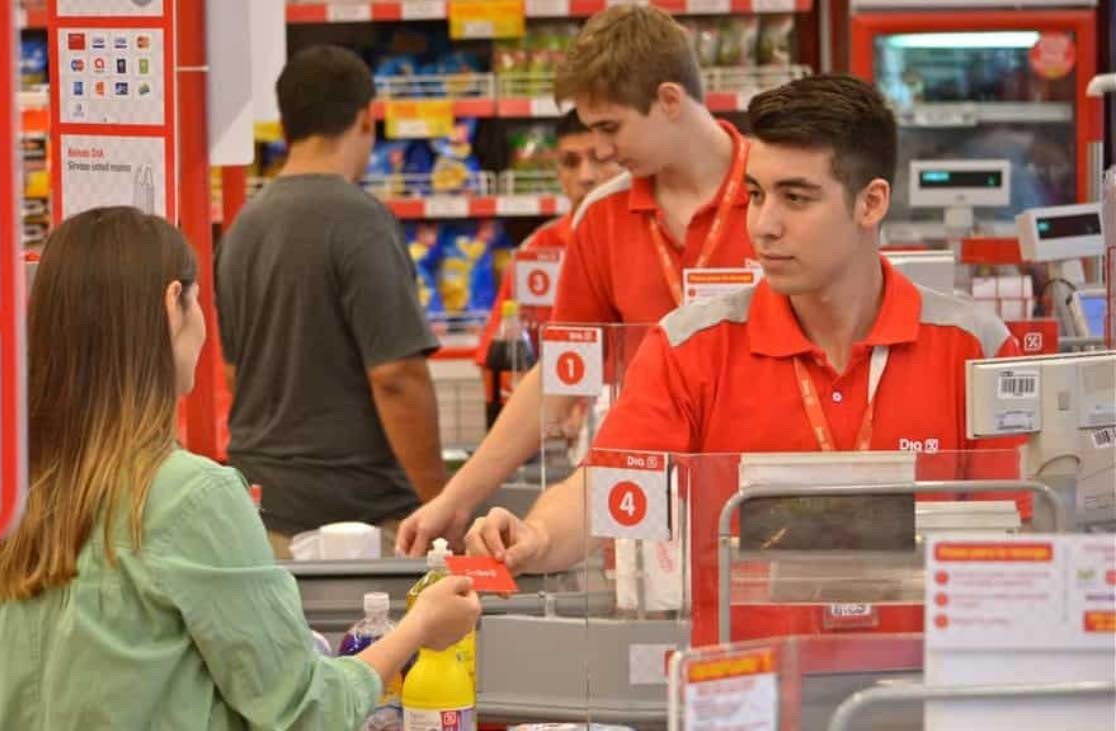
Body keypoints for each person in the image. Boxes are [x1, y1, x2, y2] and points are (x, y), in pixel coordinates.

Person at [462, 75, 1024, 642]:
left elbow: (1015, 544)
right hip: (746, 690)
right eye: (755, 193)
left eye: (796, 198)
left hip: (924, 693)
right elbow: (609, 487)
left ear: (870, 202)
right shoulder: (690, 346)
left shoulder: (975, 348)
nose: (763, 225)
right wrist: (534, 537)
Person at [0, 207, 481, 729]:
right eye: (199, 302)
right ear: (172, 305)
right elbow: (302, 712)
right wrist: (419, 627)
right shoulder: (189, 497)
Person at [399, 5, 756, 555]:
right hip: (640, 502)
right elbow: (563, 374)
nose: (603, 153)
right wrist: (459, 495)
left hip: (761, 489)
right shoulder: (603, 216)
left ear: (668, 100)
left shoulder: (775, 196)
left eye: (610, 128)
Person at [217, 46, 446, 558]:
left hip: (261, 514)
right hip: (359, 521)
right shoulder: (360, 221)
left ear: (284, 125)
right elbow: (396, 378)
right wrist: (441, 503)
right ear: (367, 118)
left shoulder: (242, 229)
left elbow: (234, 374)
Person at [472, 109, 621, 367]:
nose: (586, 177)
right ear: (558, 172)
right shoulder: (538, 249)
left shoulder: (650, 238)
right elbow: (497, 355)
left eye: (599, 159)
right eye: (570, 162)